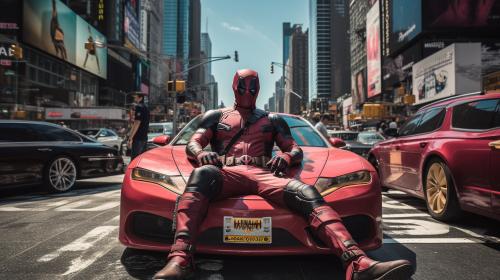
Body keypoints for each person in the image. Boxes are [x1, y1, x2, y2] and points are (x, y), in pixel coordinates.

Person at [153, 69, 413, 280]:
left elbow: (294, 148)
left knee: (306, 191)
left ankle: (357, 261)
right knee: (201, 175)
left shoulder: (272, 119)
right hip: (225, 172)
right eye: (243, 86)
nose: (248, 92)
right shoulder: (215, 115)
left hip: (263, 173)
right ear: (234, 87)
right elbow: (193, 143)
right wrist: (200, 155)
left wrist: (286, 157)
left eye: (253, 87)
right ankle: (180, 259)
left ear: (258, 88)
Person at [128, 92, 149, 160]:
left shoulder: (139, 107)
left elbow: (137, 123)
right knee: (141, 160)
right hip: (144, 138)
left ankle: (133, 171)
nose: (134, 98)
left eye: (136, 97)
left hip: (138, 138)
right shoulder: (146, 108)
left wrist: (130, 137)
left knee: (135, 159)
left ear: (140, 98)